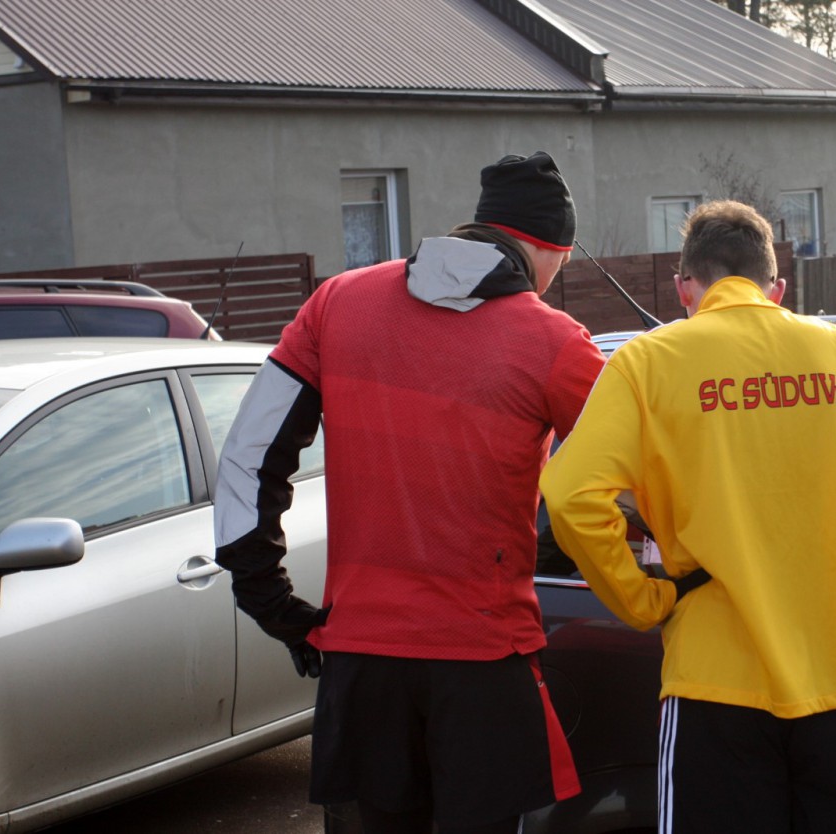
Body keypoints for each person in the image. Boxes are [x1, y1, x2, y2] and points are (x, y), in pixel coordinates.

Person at [539, 200, 836, 834]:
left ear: (685, 287)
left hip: (714, 681)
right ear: (779, 287)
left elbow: (570, 493)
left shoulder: (649, 362)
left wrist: (641, 599)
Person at [214, 151, 606, 834]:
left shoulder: (336, 302)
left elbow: (248, 456)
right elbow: (632, 481)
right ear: (550, 249)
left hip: (363, 664)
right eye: (561, 265)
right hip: (484, 662)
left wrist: (270, 601)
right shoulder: (557, 341)